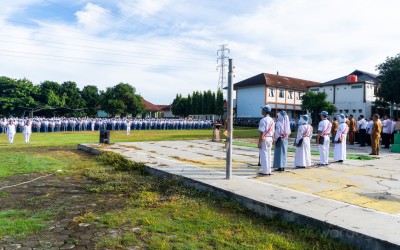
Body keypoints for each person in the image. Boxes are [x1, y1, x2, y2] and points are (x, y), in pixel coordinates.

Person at [258, 105, 275, 176]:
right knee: (269, 154)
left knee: (264, 154)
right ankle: (269, 170)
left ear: (265, 111)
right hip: (270, 138)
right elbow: (273, 131)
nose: (261, 111)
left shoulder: (263, 120)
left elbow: (262, 131)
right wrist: (273, 139)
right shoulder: (272, 120)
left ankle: (265, 171)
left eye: (262, 110)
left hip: (264, 138)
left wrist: (259, 142)